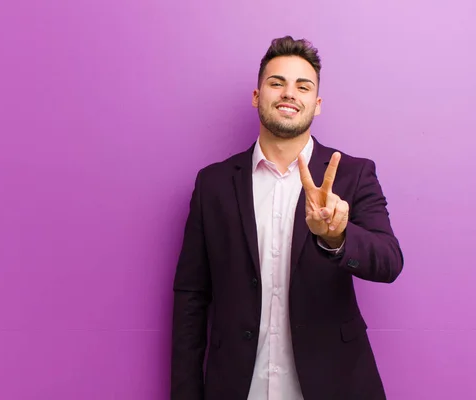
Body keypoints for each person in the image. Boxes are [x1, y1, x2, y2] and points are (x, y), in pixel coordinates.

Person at [170, 35, 404, 400]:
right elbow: (191, 296)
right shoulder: (212, 184)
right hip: (238, 385)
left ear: (317, 103)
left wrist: (337, 237)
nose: (288, 93)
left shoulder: (353, 174)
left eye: (302, 86)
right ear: (256, 95)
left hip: (334, 384)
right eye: (276, 83)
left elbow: (389, 262)